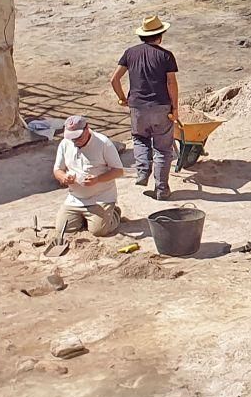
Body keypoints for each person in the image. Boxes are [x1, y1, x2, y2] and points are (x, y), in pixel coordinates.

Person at [111, 15, 180, 201]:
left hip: (137, 107)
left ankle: (142, 172)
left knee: (140, 139)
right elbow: (171, 83)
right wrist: (175, 108)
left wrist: (122, 98)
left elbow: (114, 79)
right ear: (161, 35)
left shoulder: (130, 53)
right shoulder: (166, 56)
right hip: (161, 107)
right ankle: (162, 189)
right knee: (163, 149)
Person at [47, 115, 125, 256]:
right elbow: (57, 170)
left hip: (101, 197)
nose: (75, 141)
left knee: (99, 231)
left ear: (87, 128)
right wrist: (64, 178)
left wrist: (97, 179)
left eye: (78, 137)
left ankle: (114, 213)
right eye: (72, 138)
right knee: (63, 227)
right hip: (76, 198)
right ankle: (87, 217)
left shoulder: (104, 143)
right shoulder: (65, 143)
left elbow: (118, 171)